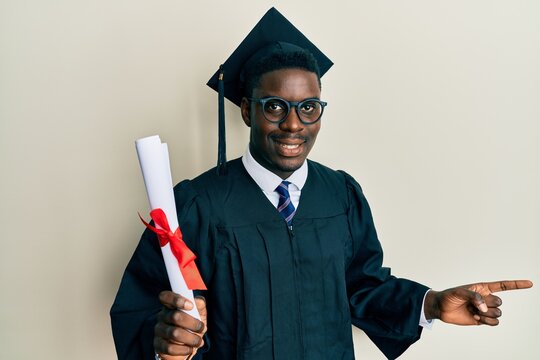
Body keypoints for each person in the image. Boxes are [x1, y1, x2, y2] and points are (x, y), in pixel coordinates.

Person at [110, 8, 533, 360]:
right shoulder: (198, 203)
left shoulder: (341, 194)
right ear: (245, 110)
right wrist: (163, 339)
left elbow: (364, 287)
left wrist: (432, 304)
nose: (293, 124)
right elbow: (144, 305)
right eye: (274, 106)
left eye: (308, 107)